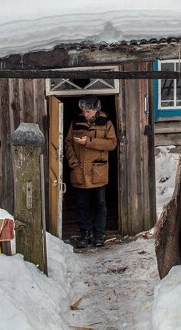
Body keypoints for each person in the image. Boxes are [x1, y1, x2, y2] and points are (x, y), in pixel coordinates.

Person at [64, 94, 117, 248]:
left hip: (97, 171)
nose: (85, 113)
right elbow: (68, 143)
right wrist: (73, 163)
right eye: (83, 111)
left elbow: (112, 144)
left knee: (100, 204)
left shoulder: (106, 123)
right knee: (82, 205)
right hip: (80, 171)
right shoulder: (76, 122)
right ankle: (85, 235)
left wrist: (89, 142)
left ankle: (99, 235)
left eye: (88, 111)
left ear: (96, 110)